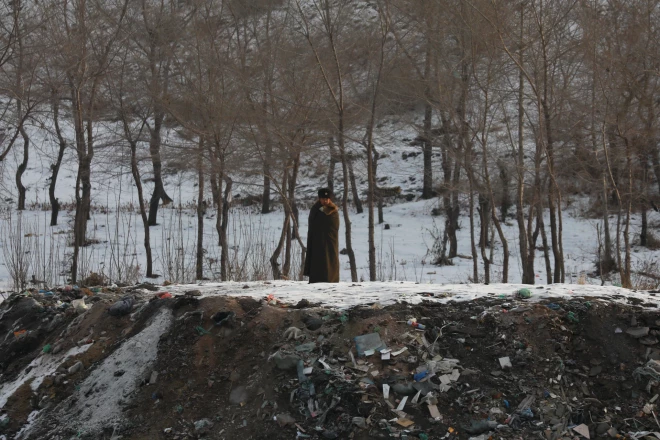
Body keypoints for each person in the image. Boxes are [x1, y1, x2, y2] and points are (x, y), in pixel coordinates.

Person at [304, 188, 340, 283]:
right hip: (316, 240)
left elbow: (335, 226)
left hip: (330, 240)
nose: (325, 201)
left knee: (330, 260)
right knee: (317, 260)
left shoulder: (333, 210)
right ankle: (316, 280)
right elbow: (312, 224)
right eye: (323, 199)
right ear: (319, 199)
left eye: (327, 199)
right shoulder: (315, 209)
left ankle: (331, 280)